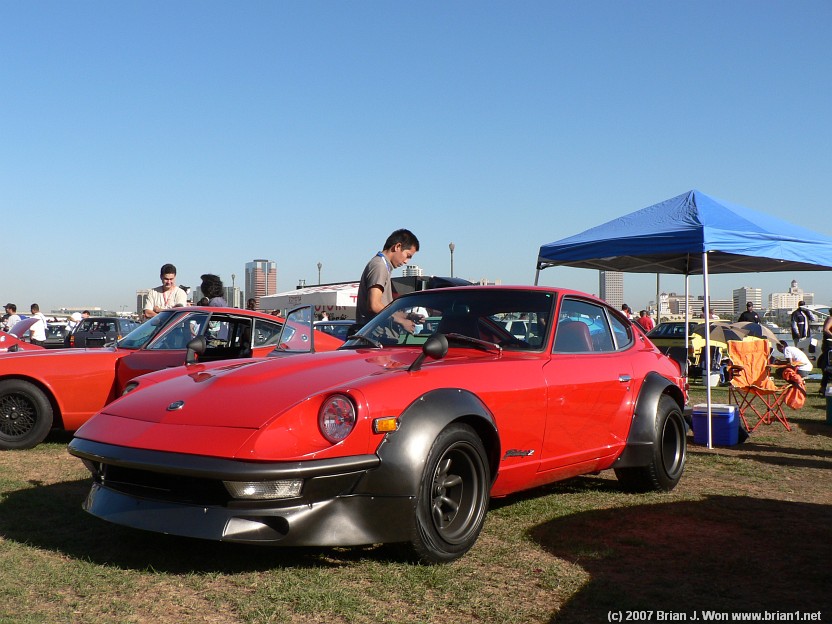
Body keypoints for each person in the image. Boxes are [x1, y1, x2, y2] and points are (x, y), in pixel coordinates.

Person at [355, 229, 420, 329]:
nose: (406, 261)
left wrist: (407, 316)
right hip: (374, 334)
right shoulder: (379, 266)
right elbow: (374, 305)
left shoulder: (382, 265)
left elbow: (383, 307)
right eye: (408, 256)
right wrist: (401, 321)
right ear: (397, 247)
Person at [819, 309, 832, 397]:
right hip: (829, 344)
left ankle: (823, 388)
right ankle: (823, 388)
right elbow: (826, 329)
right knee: (828, 366)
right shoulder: (831, 318)